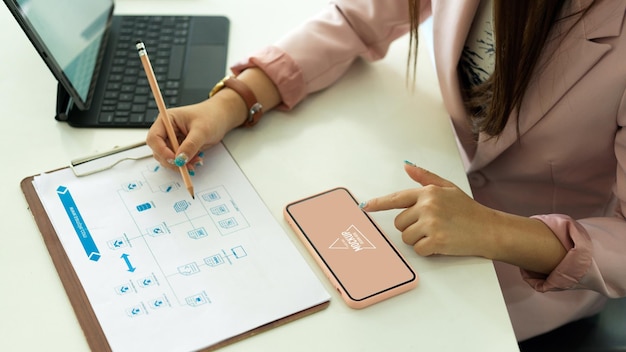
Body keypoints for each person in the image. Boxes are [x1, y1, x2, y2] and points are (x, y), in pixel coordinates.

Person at [146, 0, 626, 341]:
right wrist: (236, 100)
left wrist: (495, 231)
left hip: (533, 293)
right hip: (426, 219)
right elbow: (357, 17)